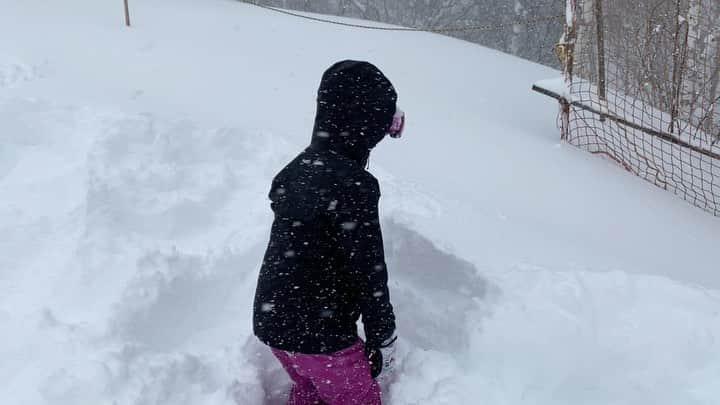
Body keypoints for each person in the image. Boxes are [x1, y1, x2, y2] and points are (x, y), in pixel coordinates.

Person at [253, 60, 404, 405]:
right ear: (364, 125)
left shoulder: (296, 170)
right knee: (356, 398)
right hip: (320, 335)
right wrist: (383, 337)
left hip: (271, 323)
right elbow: (370, 272)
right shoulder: (355, 187)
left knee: (310, 386)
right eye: (385, 125)